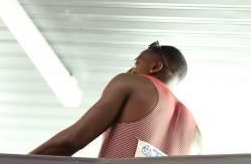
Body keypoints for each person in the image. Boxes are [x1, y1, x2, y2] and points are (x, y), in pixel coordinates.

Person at [30, 42, 200, 157]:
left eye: (137, 63)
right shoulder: (196, 133)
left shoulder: (133, 83)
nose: (131, 70)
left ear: (155, 66)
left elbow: (71, 140)